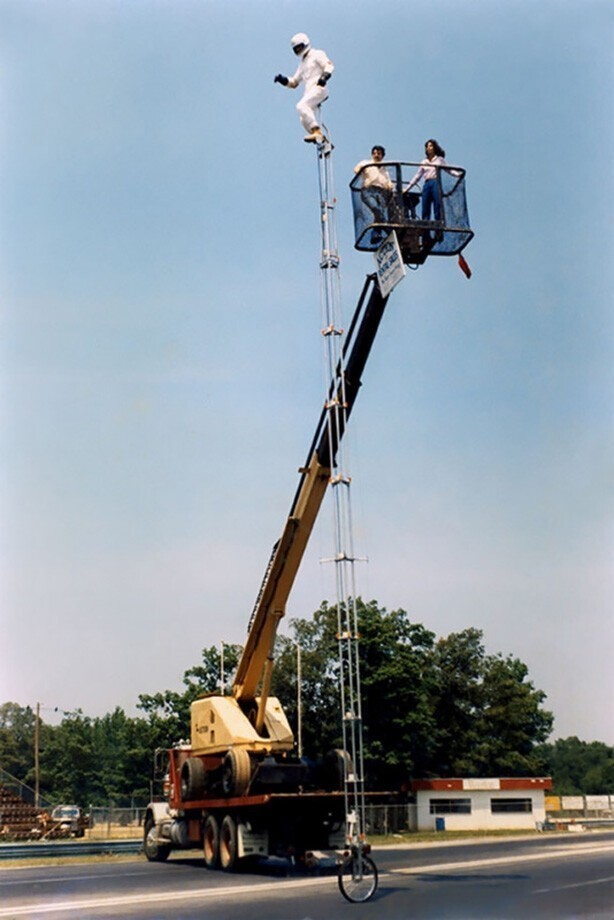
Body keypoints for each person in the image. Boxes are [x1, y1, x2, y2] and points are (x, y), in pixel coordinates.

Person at [274, 33, 334, 144]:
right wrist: (283, 80)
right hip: (309, 92)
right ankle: (321, 139)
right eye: (296, 49)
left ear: (305, 43)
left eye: (299, 47)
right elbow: (294, 82)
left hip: (319, 88)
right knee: (303, 118)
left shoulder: (317, 54)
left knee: (301, 106)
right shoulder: (302, 64)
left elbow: (328, 65)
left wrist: (324, 77)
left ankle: (317, 131)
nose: (298, 50)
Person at [405, 139, 451, 223]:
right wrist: (407, 188)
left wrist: (458, 175)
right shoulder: (424, 161)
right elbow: (417, 176)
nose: (428, 148)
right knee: (425, 204)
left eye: (431, 146)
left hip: (435, 182)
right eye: (427, 146)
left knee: (437, 204)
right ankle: (425, 225)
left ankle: (438, 223)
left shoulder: (439, 160)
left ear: (434, 147)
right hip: (427, 183)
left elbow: (449, 170)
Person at [353, 145, 394, 224]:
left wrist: (389, 186)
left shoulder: (384, 169)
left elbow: (388, 182)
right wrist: (362, 173)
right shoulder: (367, 163)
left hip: (381, 192)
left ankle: (376, 232)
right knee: (376, 208)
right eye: (374, 153)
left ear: (382, 156)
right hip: (369, 191)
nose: (376, 155)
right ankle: (385, 227)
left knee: (380, 212)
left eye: (378, 154)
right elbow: (356, 169)